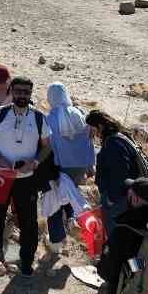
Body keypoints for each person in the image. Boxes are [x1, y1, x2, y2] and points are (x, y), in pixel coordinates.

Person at [0, 76, 52, 276]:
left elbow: (47, 146)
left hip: (26, 179)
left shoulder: (38, 118)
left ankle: (26, 260)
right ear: (12, 92)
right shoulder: (0, 115)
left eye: (26, 92)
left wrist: (34, 162)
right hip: (0, 175)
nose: (22, 95)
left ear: (30, 94)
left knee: (28, 220)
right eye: (18, 91)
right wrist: (0, 159)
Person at [44, 81, 93, 260]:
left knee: (54, 199)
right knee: (72, 194)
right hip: (79, 166)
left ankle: (56, 242)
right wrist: (90, 165)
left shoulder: (50, 118)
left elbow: (49, 146)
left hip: (59, 165)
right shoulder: (79, 114)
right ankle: (72, 219)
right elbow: (88, 141)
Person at [92, 109, 148, 233]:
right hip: (126, 196)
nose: (93, 134)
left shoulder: (113, 143)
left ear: (100, 127)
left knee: (115, 235)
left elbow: (120, 174)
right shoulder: (121, 136)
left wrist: (111, 199)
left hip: (119, 200)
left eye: (93, 129)